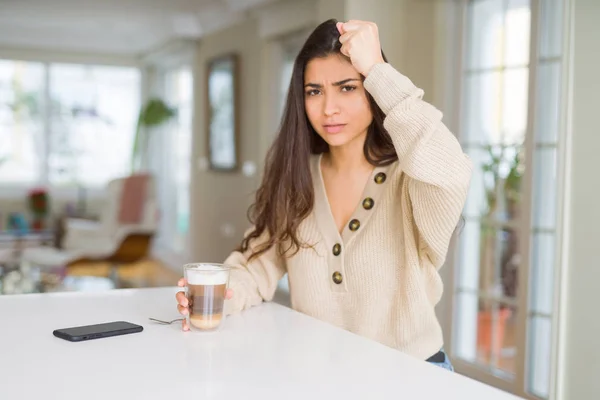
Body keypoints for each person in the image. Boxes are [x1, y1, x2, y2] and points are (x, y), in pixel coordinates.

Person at [176, 18, 472, 371]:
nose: (328, 108)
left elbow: (452, 169)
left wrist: (377, 69)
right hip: (322, 377)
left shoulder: (409, 177)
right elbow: (255, 268)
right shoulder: (296, 179)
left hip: (414, 378)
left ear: (372, 90)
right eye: (314, 91)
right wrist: (223, 295)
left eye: (347, 88)